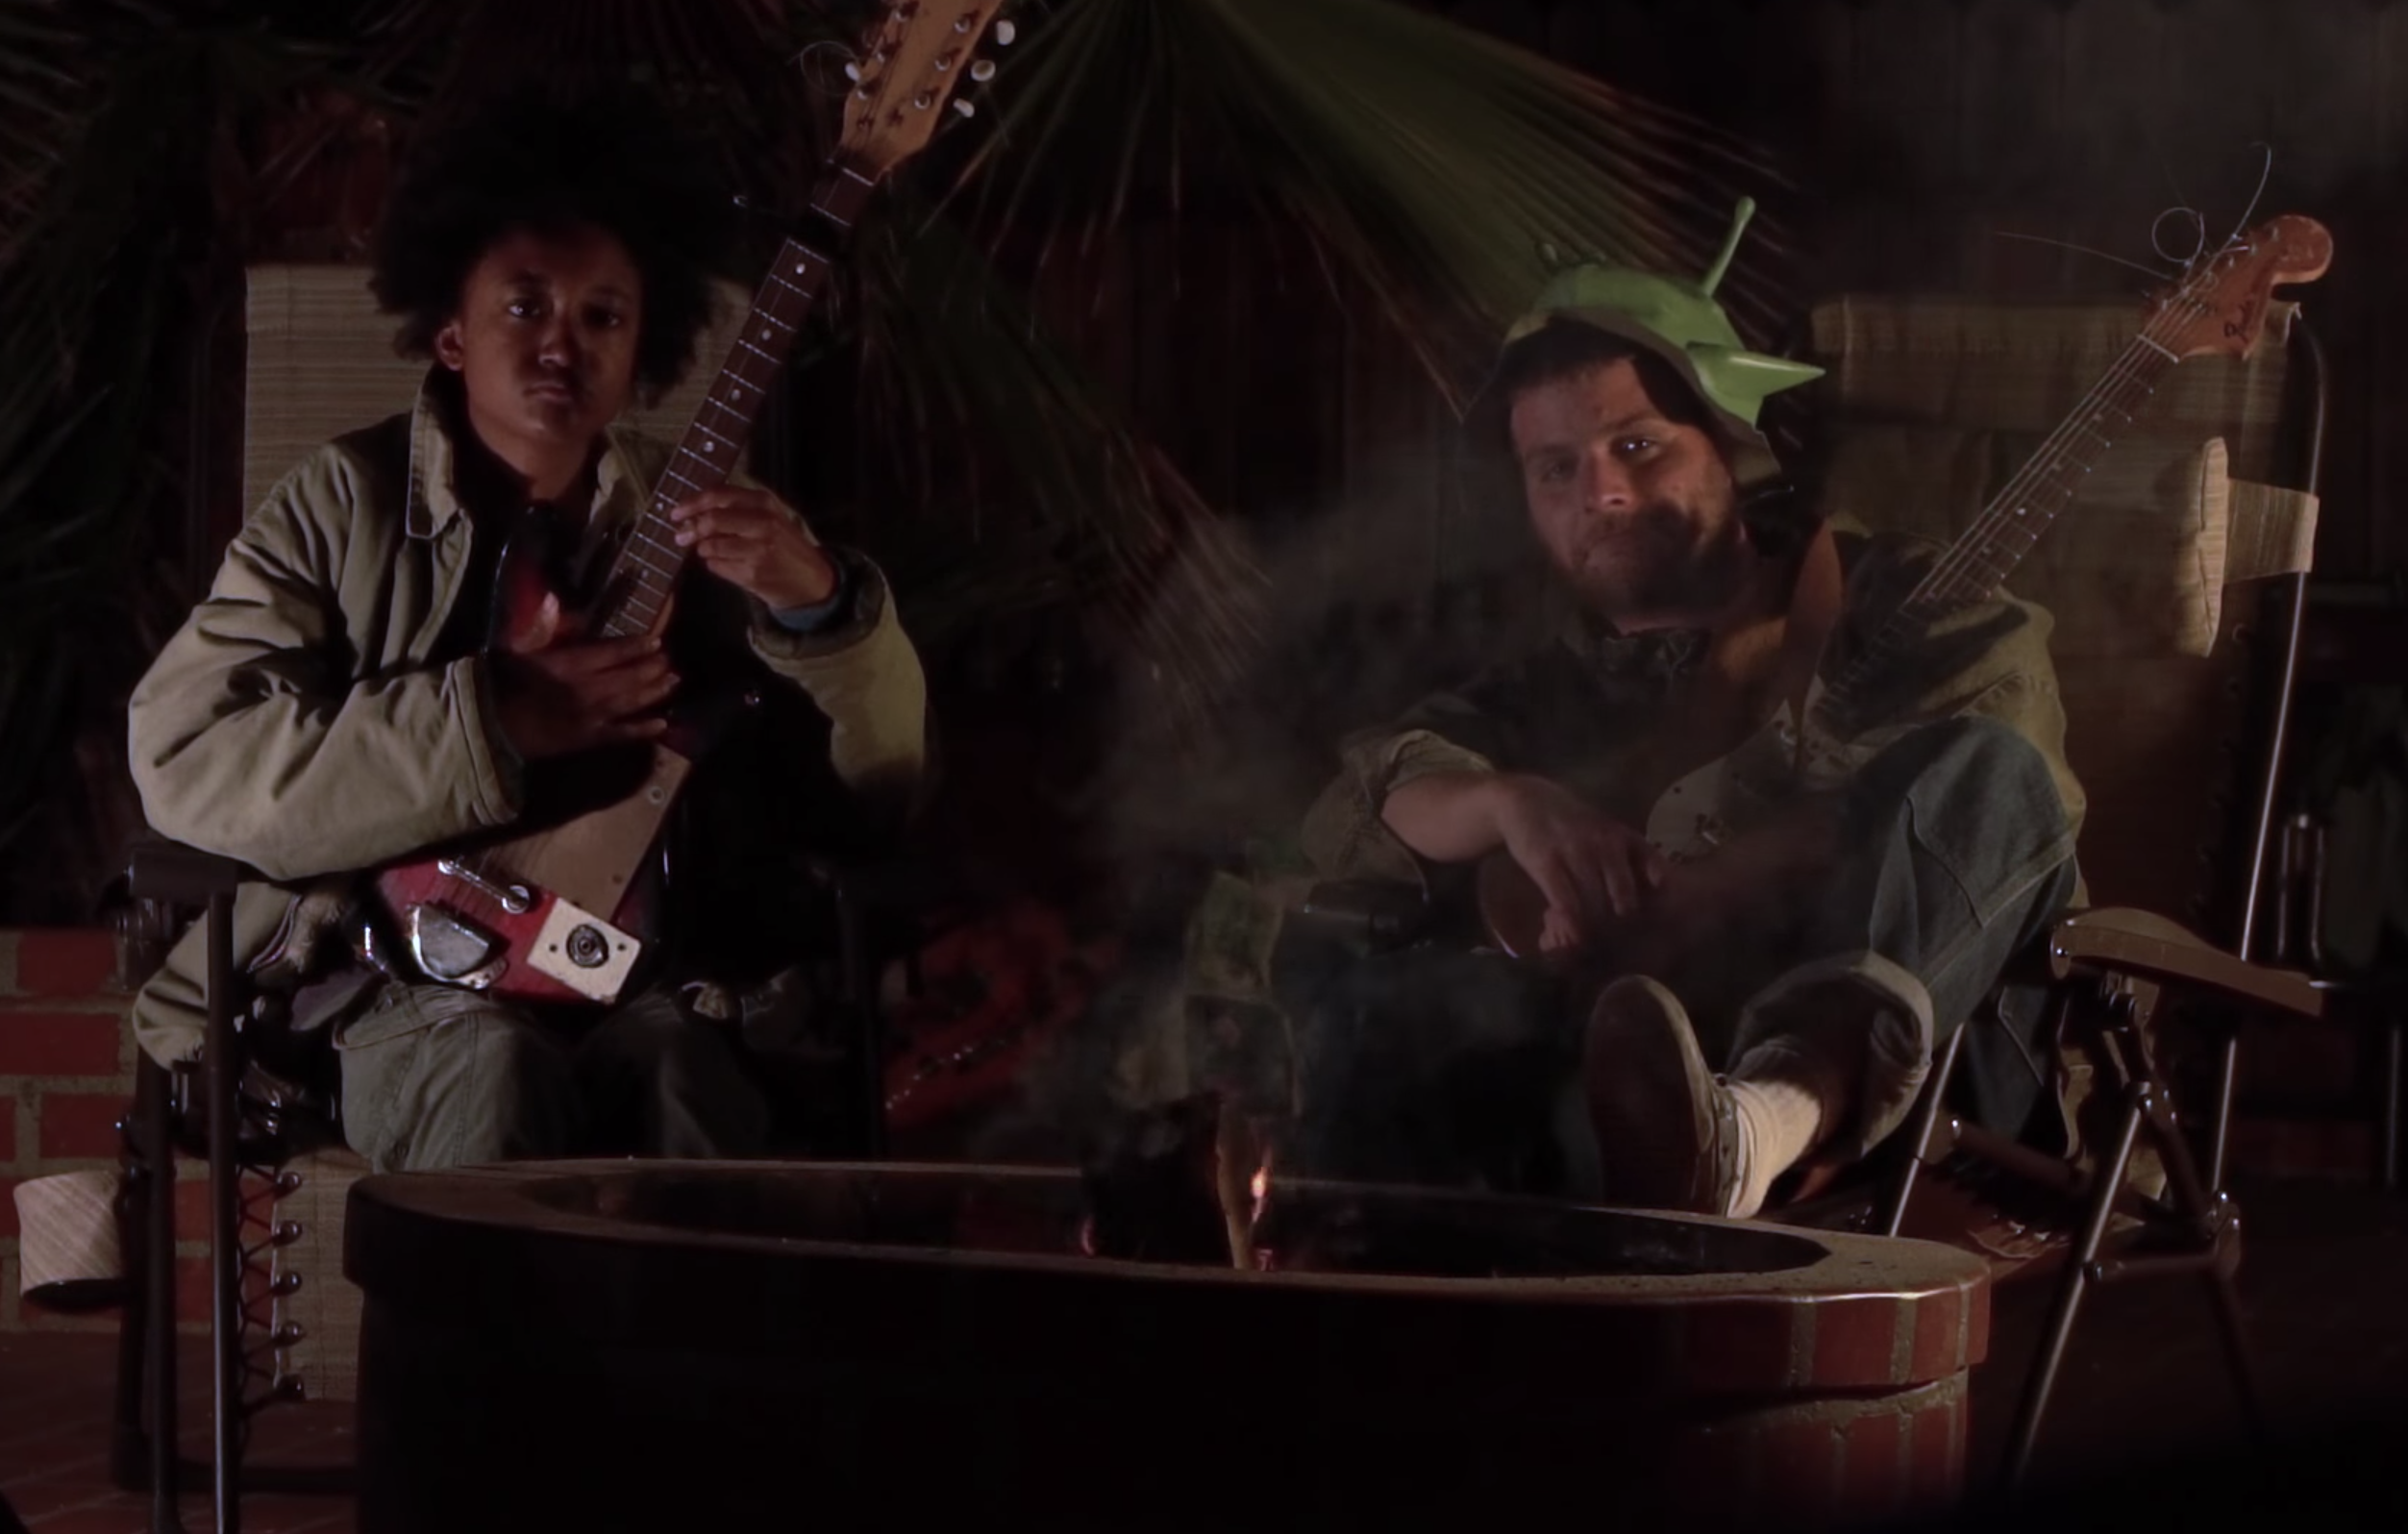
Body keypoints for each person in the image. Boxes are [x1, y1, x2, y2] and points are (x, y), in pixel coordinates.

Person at [124, 87, 929, 1173]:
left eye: (604, 316)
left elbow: (883, 790)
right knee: (489, 1067)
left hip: (654, 981)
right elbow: (188, 756)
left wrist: (821, 610)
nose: (563, 343)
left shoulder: (717, 518)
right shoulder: (340, 505)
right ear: (451, 334)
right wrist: (491, 723)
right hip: (397, 982)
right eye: (525, 305)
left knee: (692, 1087)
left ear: (644, 351)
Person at [1286, 204, 2084, 1217]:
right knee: (1368, 984)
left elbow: (1998, 790)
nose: (1600, 493)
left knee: (1988, 769)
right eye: (1556, 468)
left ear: (1733, 447)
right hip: (1646, 1102)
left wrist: (1704, 893)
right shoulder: (1560, 683)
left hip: (1930, 1101)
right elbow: (1373, 791)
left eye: (1637, 445)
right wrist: (1512, 805)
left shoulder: (1905, 597)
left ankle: (1768, 1117)